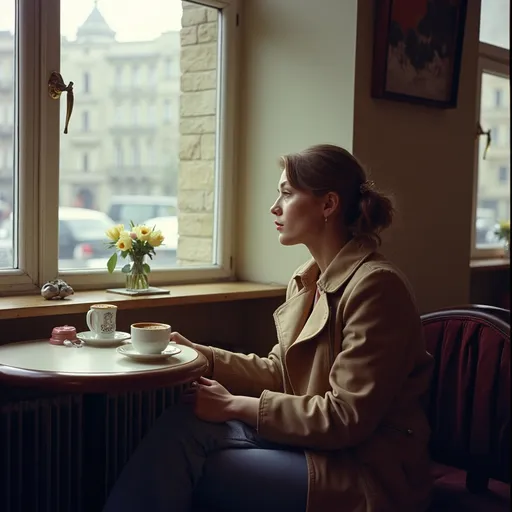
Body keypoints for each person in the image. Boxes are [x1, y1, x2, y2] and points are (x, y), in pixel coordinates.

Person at [103, 144, 434, 512]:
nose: (274, 207)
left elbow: (346, 418)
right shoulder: (308, 279)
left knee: (201, 462)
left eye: (288, 193)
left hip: (365, 471)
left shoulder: (376, 287)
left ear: (328, 205)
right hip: (313, 446)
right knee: (182, 423)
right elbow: (280, 373)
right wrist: (202, 356)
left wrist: (234, 405)